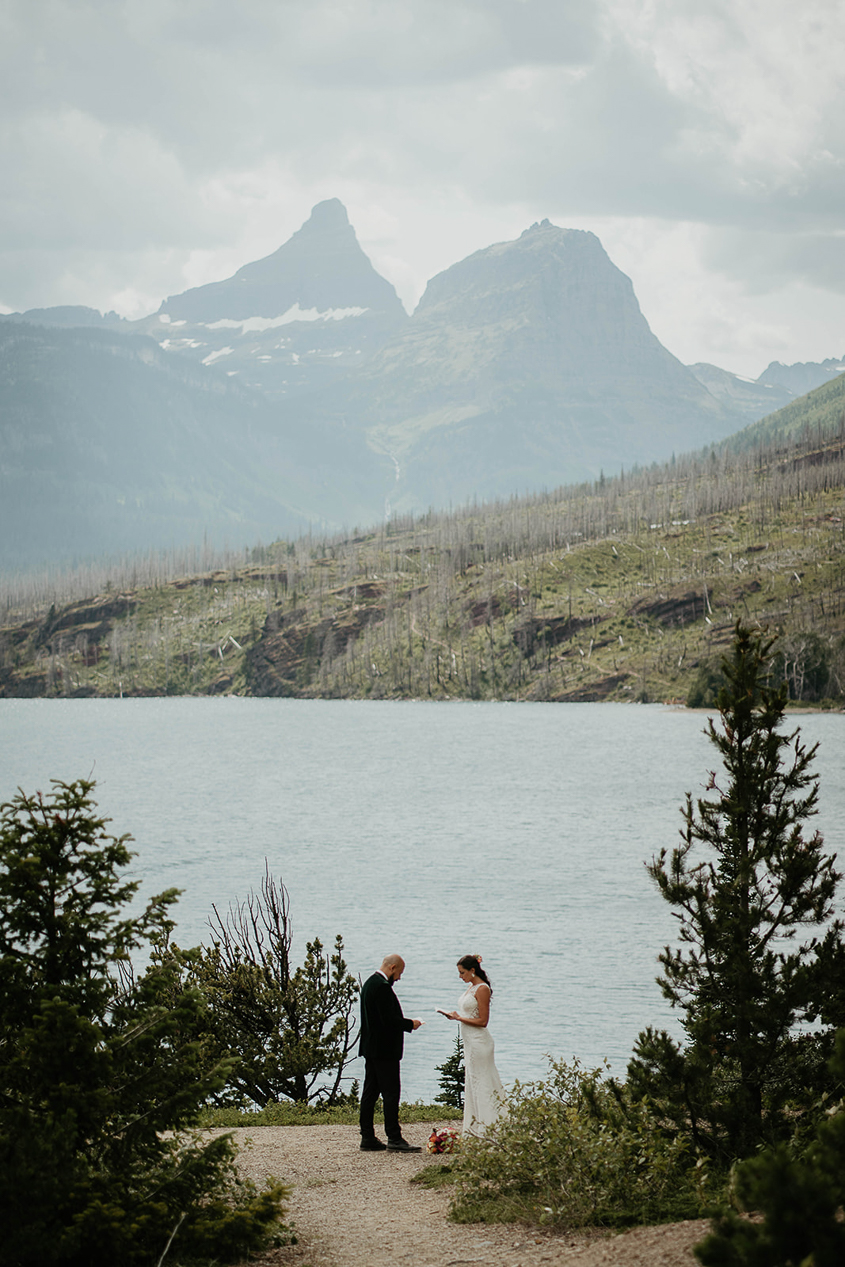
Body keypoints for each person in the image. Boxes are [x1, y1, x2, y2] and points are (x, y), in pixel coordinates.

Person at [358, 953, 423, 1152]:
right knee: (391, 1093)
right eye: (400, 973)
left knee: (370, 1093)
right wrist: (411, 1024)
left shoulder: (369, 983)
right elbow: (389, 1020)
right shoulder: (382, 987)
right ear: (392, 967)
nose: (399, 978)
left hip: (371, 1048)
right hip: (384, 1050)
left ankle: (367, 1136)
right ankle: (394, 1137)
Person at [442, 954, 505, 1136]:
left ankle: (489, 1128)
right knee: (472, 1082)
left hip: (479, 1042)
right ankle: (475, 1127)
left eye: (462, 973)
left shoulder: (482, 989)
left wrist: (459, 1018)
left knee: (482, 1083)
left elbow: (483, 1021)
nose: (460, 976)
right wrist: (456, 1014)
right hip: (470, 1042)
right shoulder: (471, 987)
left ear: (472, 970)